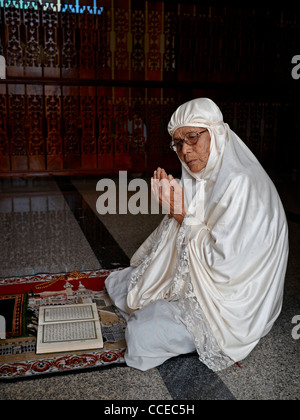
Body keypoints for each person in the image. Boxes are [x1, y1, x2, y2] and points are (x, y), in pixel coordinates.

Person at [105, 98, 289, 372]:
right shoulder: (203, 175)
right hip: (202, 280)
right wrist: (174, 208)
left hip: (233, 302)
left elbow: (226, 265)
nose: (185, 151)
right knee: (122, 284)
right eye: (177, 143)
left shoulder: (241, 183)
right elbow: (189, 228)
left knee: (142, 333)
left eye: (192, 138)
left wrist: (181, 213)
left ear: (215, 133)